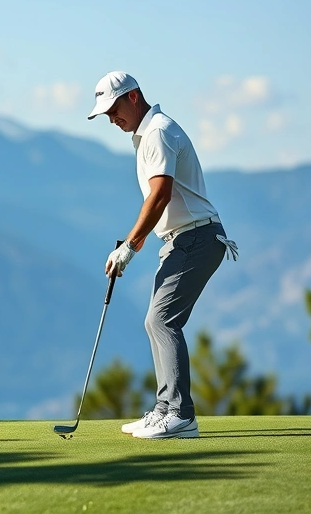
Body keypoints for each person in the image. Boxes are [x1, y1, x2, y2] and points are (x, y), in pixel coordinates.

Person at [86, 71, 238, 439]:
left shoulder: (157, 132)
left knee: (162, 320)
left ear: (133, 97)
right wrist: (130, 242)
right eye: (105, 113)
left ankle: (181, 414)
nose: (111, 118)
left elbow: (160, 195)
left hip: (197, 237)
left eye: (114, 108)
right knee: (155, 322)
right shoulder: (148, 133)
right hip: (182, 239)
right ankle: (165, 409)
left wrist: (130, 247)